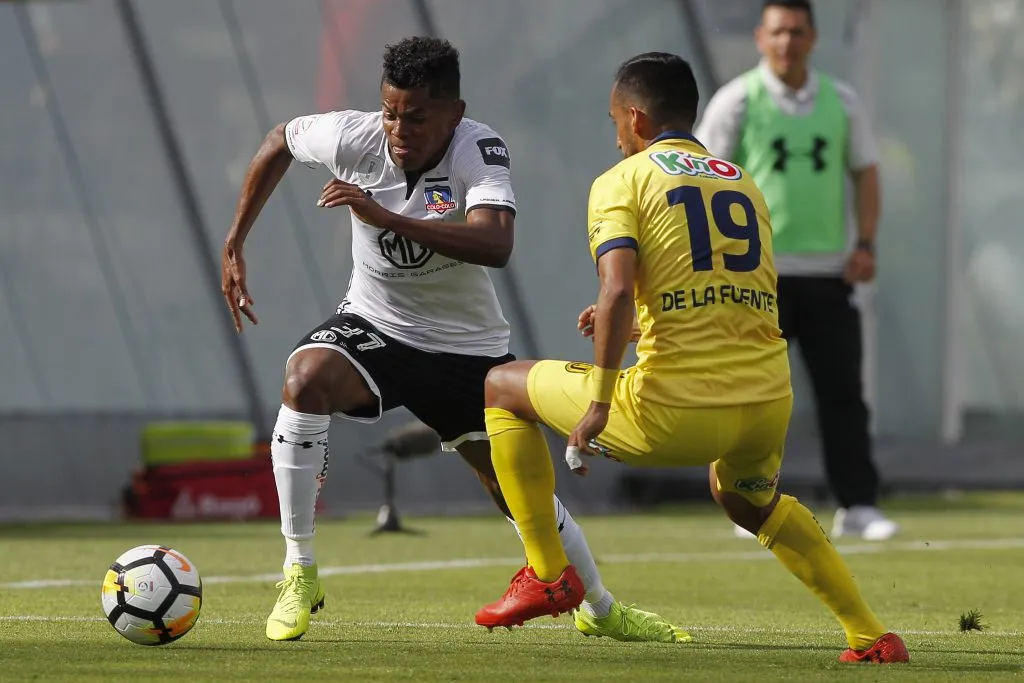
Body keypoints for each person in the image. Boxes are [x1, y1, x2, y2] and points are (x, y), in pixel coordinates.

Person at [221, 36, 685, 644]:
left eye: (416, 117)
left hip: (467, 350)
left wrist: (385, 218)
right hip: (375, 324)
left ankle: (599, 606)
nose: (398, 129)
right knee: (304, 380)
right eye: (390, 112)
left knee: (519, 497)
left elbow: (495, 244)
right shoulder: (353, 137)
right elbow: (278, 139)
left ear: (454, 114)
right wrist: (236, 240)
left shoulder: (479, 148)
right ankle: (298, 570)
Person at [475, 51, 909, 664]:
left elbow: (619, 287)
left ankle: (549, 573)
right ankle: (870, 635)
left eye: (614, 122)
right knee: (747, 501)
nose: (616, 137)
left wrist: (599, 400)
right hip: (763, 406)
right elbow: (738, 294)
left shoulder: (621, 181)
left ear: (635, 117)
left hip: (671, 415)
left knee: (500, 385)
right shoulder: (741, 179)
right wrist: (630, 323)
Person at [695, 0, 897, 541]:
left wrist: (866, 243)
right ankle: (746, 500)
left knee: (843, 393)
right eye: (778, 32)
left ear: (813, 38)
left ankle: (858, 504)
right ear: (762, 37)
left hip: (829, 274)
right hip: (756, 279)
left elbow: (866, 172)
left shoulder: (842, 102)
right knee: (751, 395)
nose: (787, 42)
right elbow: (703, 180)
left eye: (798, 32)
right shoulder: (736, 99)